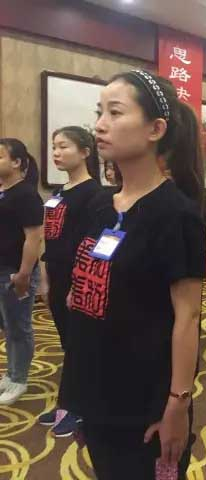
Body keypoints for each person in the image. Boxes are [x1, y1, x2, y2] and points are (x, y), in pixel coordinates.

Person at [59, 70, 206, 479]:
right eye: (99, 112)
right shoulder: (101, 205)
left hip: (144, 399)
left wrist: (177, 403)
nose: (100, 125)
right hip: (95, 384)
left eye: (115, 112)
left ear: (155, 129)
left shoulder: (176, 214)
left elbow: (188, 317)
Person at [38, 126, 102, 437]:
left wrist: (79, 285)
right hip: (56, 275)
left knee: (81, 344)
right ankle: (71, 400)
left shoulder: (95, 194)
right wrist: (45, 277)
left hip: (78, 278)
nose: (56, 153)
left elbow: (91, 244)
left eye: (64, 146)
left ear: (85, 152)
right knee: (68, 342)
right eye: (54, 147)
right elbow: (50, 238)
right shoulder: (59, 193)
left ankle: (79, 406)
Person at [0, 138, 43, 405]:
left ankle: (19, 379)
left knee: (19, 326)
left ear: (16, 162)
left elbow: (34, 238)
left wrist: (24, 275)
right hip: (3, 269)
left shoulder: (26, 194)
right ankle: (11, 373)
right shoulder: (4, 191)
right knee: (9, 326)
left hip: (16, 272)